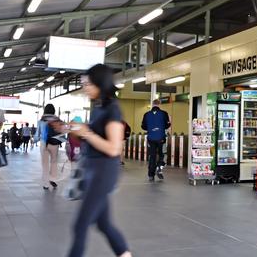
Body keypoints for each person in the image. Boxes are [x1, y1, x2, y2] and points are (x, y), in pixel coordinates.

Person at [57, 64, 131, 257]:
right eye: (83, 84)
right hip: (93, 170)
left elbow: (114, 148)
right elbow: (94, 137)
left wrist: (86, 133)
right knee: (104, 224)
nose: (85, 88)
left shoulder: (112, 109)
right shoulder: (98, 106)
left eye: (88, 84)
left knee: (80, 226)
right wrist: (78, 131)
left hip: (103, 172)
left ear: (100, 83)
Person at [141, 99, 170, 181]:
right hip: (161, 138)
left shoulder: (146, 114)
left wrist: (151, 128)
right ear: (159, 104)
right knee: (163, 154)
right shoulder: (164, 113)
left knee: (152, 156)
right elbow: (167, 125)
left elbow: (143, 126)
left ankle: (151, 175)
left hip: (150, 138)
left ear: (152, 104)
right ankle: (159, 167)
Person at [38, 104, 61, 190]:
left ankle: (46, 184)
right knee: (54, 162)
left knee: (45, 164)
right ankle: (53, 179)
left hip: (44, 143)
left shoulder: (41, 120)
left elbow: (37, 134)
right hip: (54, 143)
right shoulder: (57, 120)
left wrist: (35, 139)